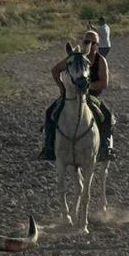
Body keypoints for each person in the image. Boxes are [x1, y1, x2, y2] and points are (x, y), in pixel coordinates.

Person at [41, 30, 114, 162]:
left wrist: (87, 86)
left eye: (94, 43)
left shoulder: (100, 60)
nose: (90, 45)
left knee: (106, 115)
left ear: (98, 45)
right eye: (87, 41)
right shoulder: (74, 58)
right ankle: (49, 147)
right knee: (50, 112)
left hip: (92, 96)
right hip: (71, 94)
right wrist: (62, 88)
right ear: (82, 42)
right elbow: (55, 70)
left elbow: (104, 83)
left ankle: (105, 147)